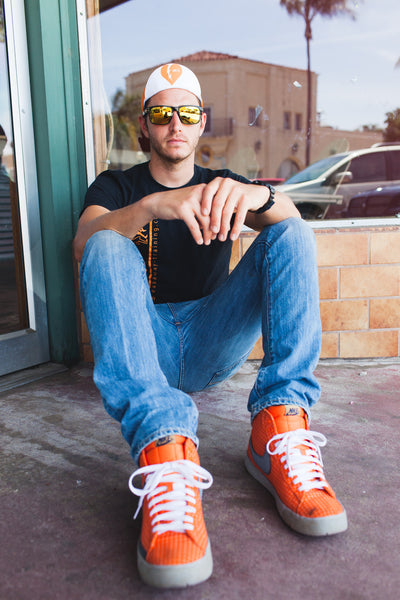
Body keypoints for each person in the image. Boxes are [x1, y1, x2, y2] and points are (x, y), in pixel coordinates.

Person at [73, 63, 347, 589]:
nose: (175, 123)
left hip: (210, 337)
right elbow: (82, 245)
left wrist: (260, 198)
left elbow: (286, 222)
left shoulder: (223, 185)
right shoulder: (116, 184)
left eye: (187, 113)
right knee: (105, 243)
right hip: (145, 346)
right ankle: (163, 442)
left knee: (291, 234)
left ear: (202, 124)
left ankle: (280, 427)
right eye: (161, 114)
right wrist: (153, 206)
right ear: (144, 128)